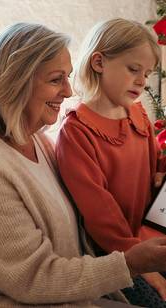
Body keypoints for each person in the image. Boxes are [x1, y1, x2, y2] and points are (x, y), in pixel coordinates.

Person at [0, 22, 166, 308]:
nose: (69, 92)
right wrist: (130, 263)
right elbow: (31, 278)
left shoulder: (37, 141)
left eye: (68, 78)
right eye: (56, 80)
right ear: (15, 80)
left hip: (61, 295)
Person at [55, 18, 166, 307]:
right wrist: (145, 266)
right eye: (133, 69)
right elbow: (100, 217)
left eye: (148, 73)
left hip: (152, 236)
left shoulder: (139, 115)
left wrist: (161, 176)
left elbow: (156, 169)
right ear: (99, 62)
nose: (142, 81)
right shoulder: (77, 131)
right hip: (114, 255)